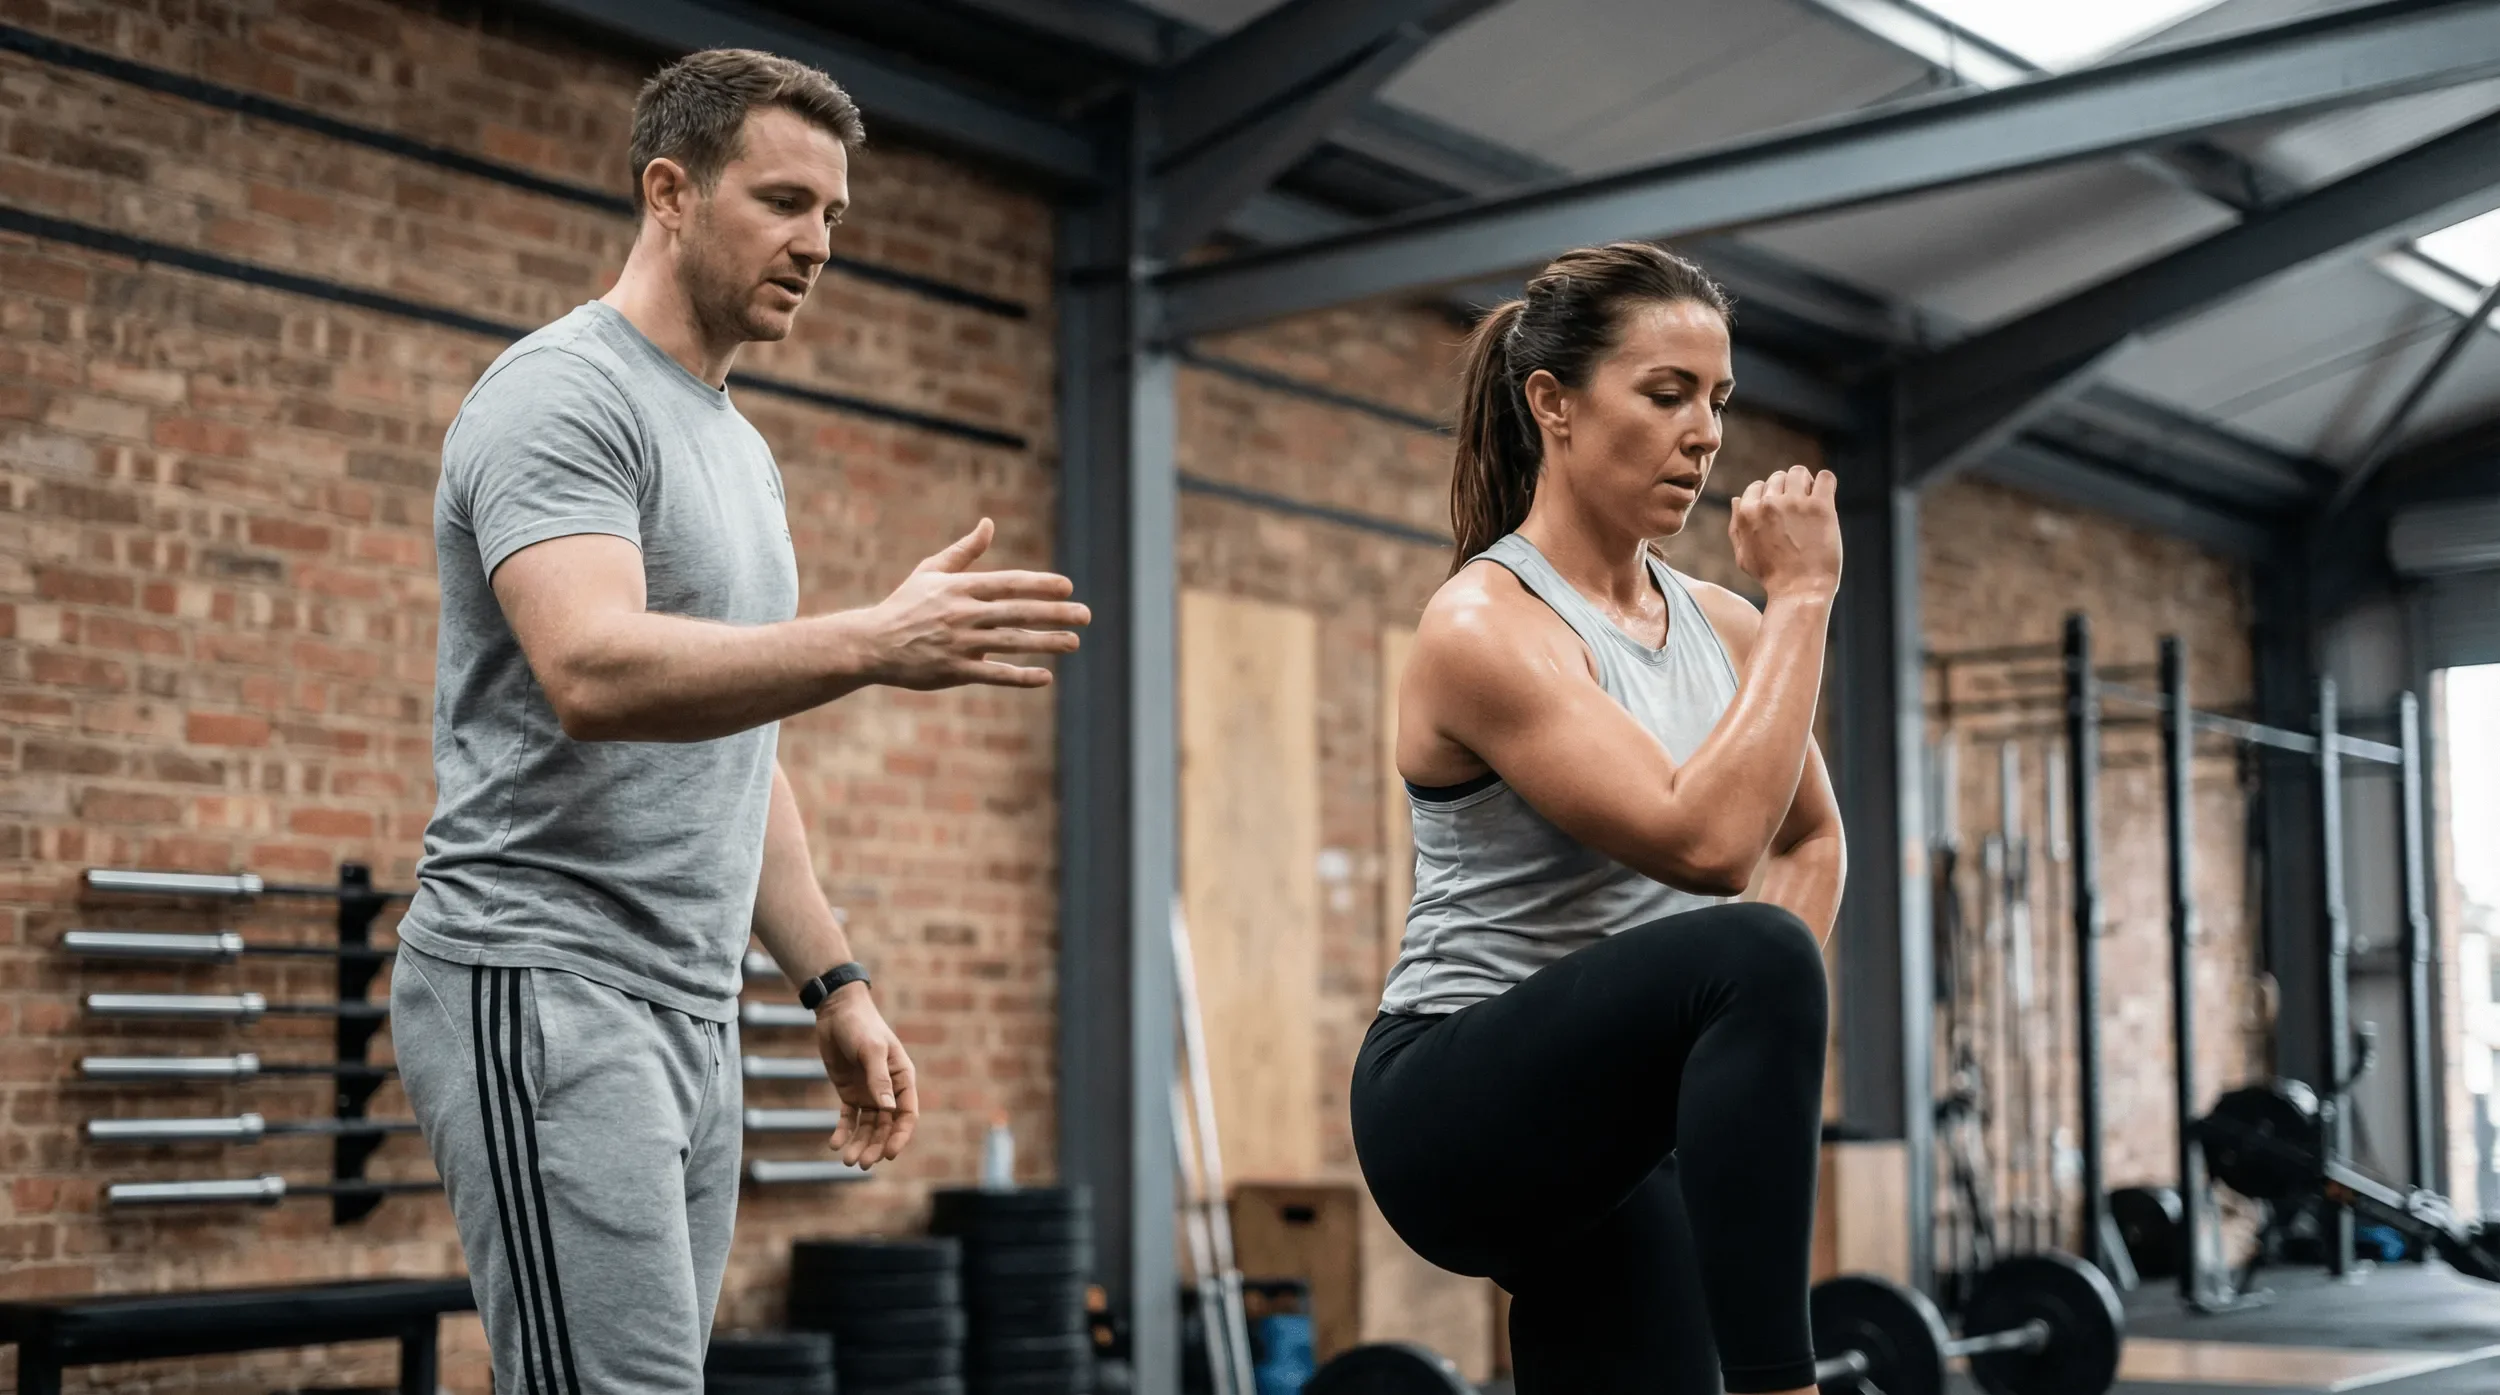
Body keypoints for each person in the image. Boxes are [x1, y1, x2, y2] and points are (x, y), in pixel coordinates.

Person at [389, 49, 1089, 1394]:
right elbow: (591, 671)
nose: (817, 243)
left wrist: (834, 984)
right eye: (781, 202)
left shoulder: (732, 441)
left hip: (690, 1005)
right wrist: (874, 640)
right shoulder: (563, 397)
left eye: (832, 213)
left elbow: (735, 736)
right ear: (670, 190)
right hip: (545, 978)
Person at [1352, 242, 1846, 1395]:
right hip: (1450, 1111)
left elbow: (1811, 837)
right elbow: (1714, 850)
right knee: (1754, 950)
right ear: (1552, 405)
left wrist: (1728, 1050)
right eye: (1666, 393)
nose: (1707, 432)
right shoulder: (1485, 624)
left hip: (1611, 1125)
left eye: (1718, 400)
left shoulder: (1720, 625)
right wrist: (1808, 598)